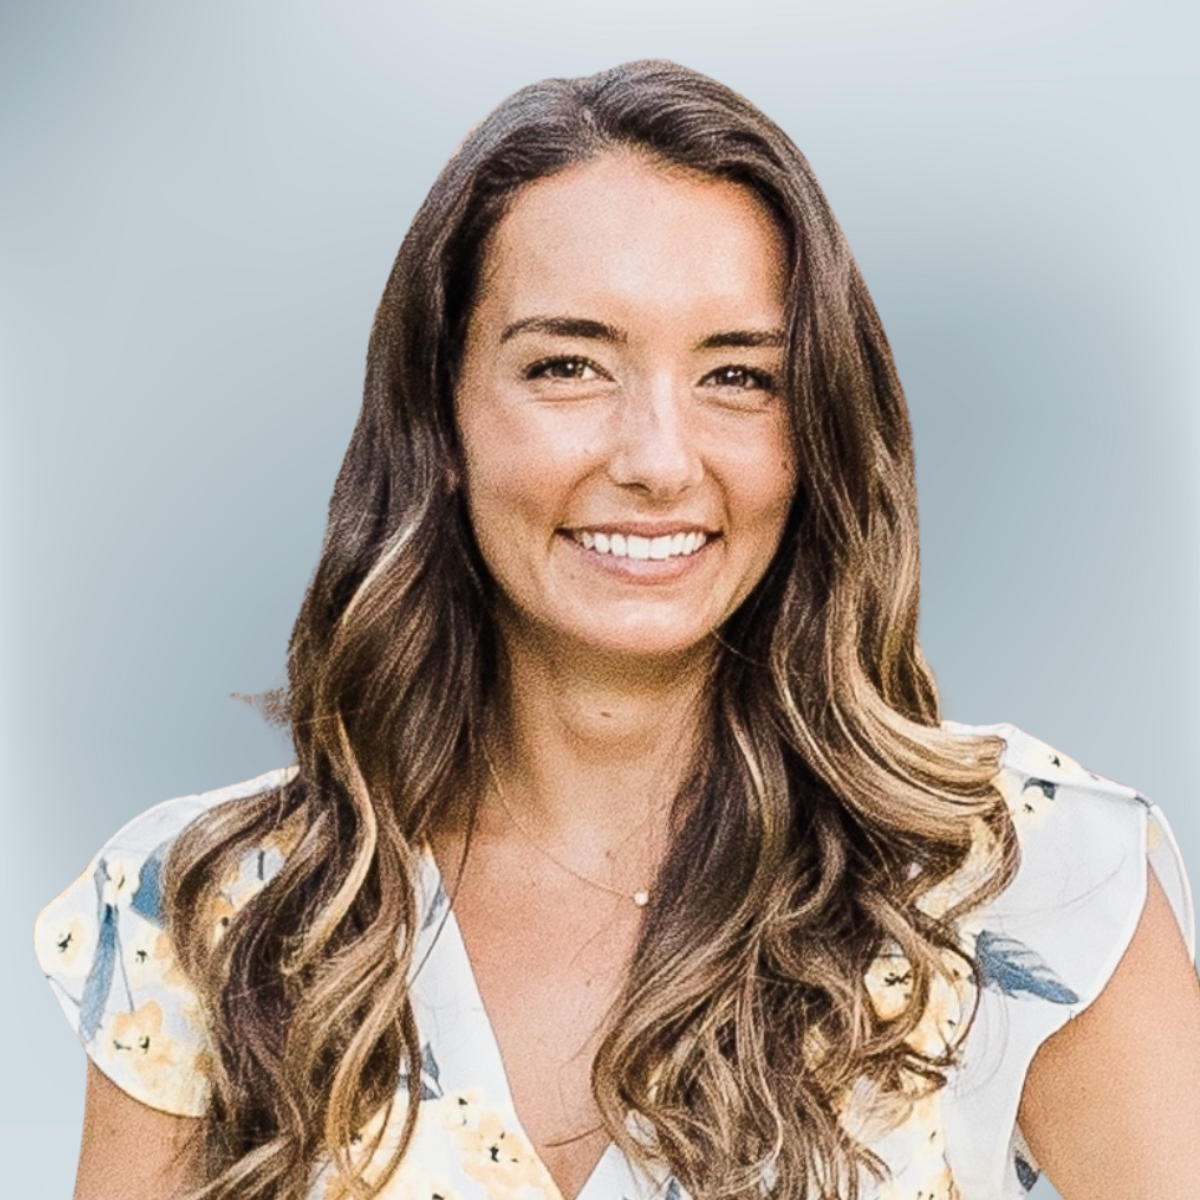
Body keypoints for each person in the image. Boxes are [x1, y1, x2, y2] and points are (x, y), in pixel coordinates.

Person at [34, 60, 1200, 1200]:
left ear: (814, 432)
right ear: (442, 417)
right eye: (570, 365)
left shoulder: (1020, 877)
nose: (655, 460)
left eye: (739, 376)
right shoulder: (205, 915)